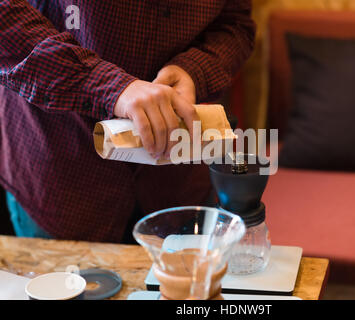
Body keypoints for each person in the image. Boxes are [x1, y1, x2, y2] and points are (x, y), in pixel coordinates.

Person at [0, 0, 255, 242]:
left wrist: (193, 70)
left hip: (180, 181)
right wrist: (107, 86)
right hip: (62, 170)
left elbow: (235, 24)